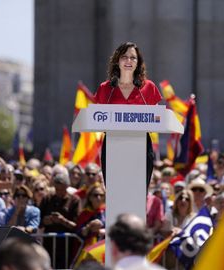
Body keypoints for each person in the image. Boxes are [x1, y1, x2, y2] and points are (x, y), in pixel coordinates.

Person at [94, 42, 163, 186]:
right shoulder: (105, 88)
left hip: (142, 147)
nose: (129, 61)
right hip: (113, 146)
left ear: (138, 62)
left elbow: (158, 117)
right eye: (124, 57)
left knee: (137, 192)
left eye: (133, 58)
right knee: (115, 191)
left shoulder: (148, 87)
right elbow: (95, 117)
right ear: (117, 60)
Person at [39, 173, 81, 269]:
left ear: (67, 187)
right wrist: (47, 220)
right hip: (49, 244)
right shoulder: (47, 199)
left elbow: (76, 225)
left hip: (66, 246)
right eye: (57, 189)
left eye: (62, 190)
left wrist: (62, 220)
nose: (59, 192)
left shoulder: (74, 200)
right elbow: (39, 221)